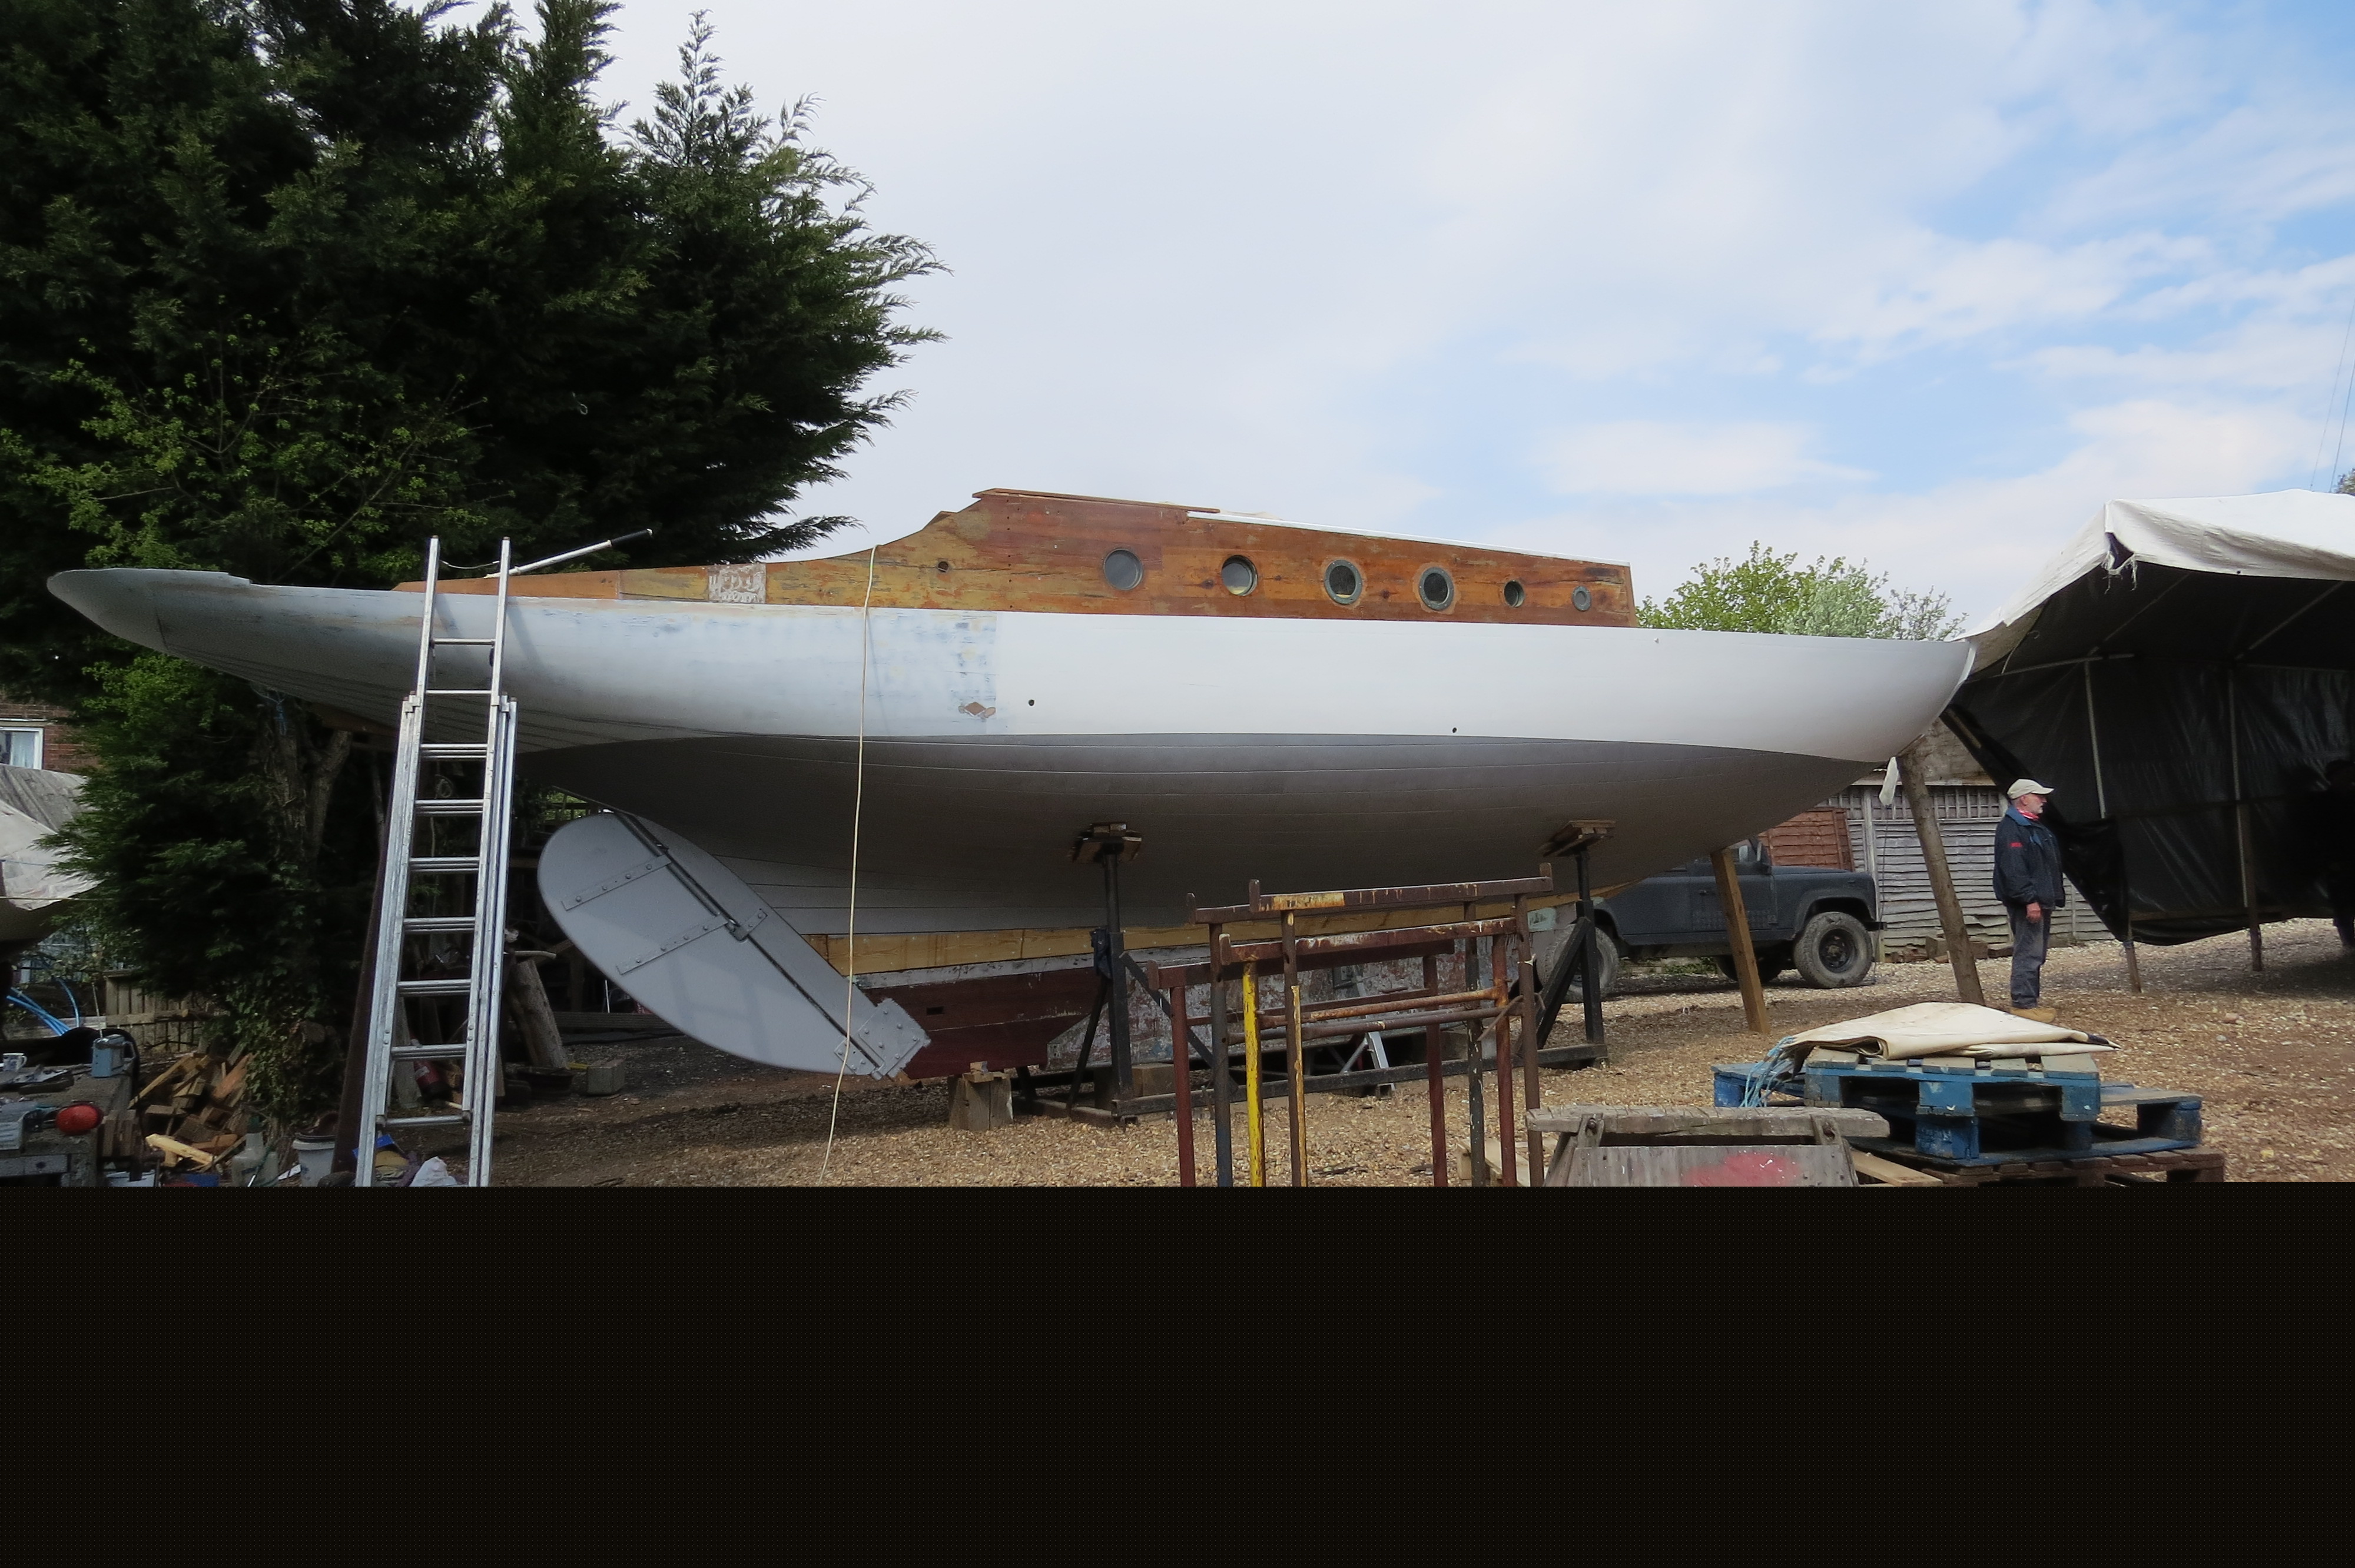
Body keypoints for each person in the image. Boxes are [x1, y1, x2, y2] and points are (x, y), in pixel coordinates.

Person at [1992, 778, 2065, 1019]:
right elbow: (2014, 870)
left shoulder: (2031, 826)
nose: (2044, 801)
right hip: (2028, 904)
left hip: (2038, 901)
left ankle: (2030, 1002)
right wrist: (2029, 900)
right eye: (2039, 796)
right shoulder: (2013, 828)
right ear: (2024, 798)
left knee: (2036, 953)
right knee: (2029, 953)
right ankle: (2024, 1006)